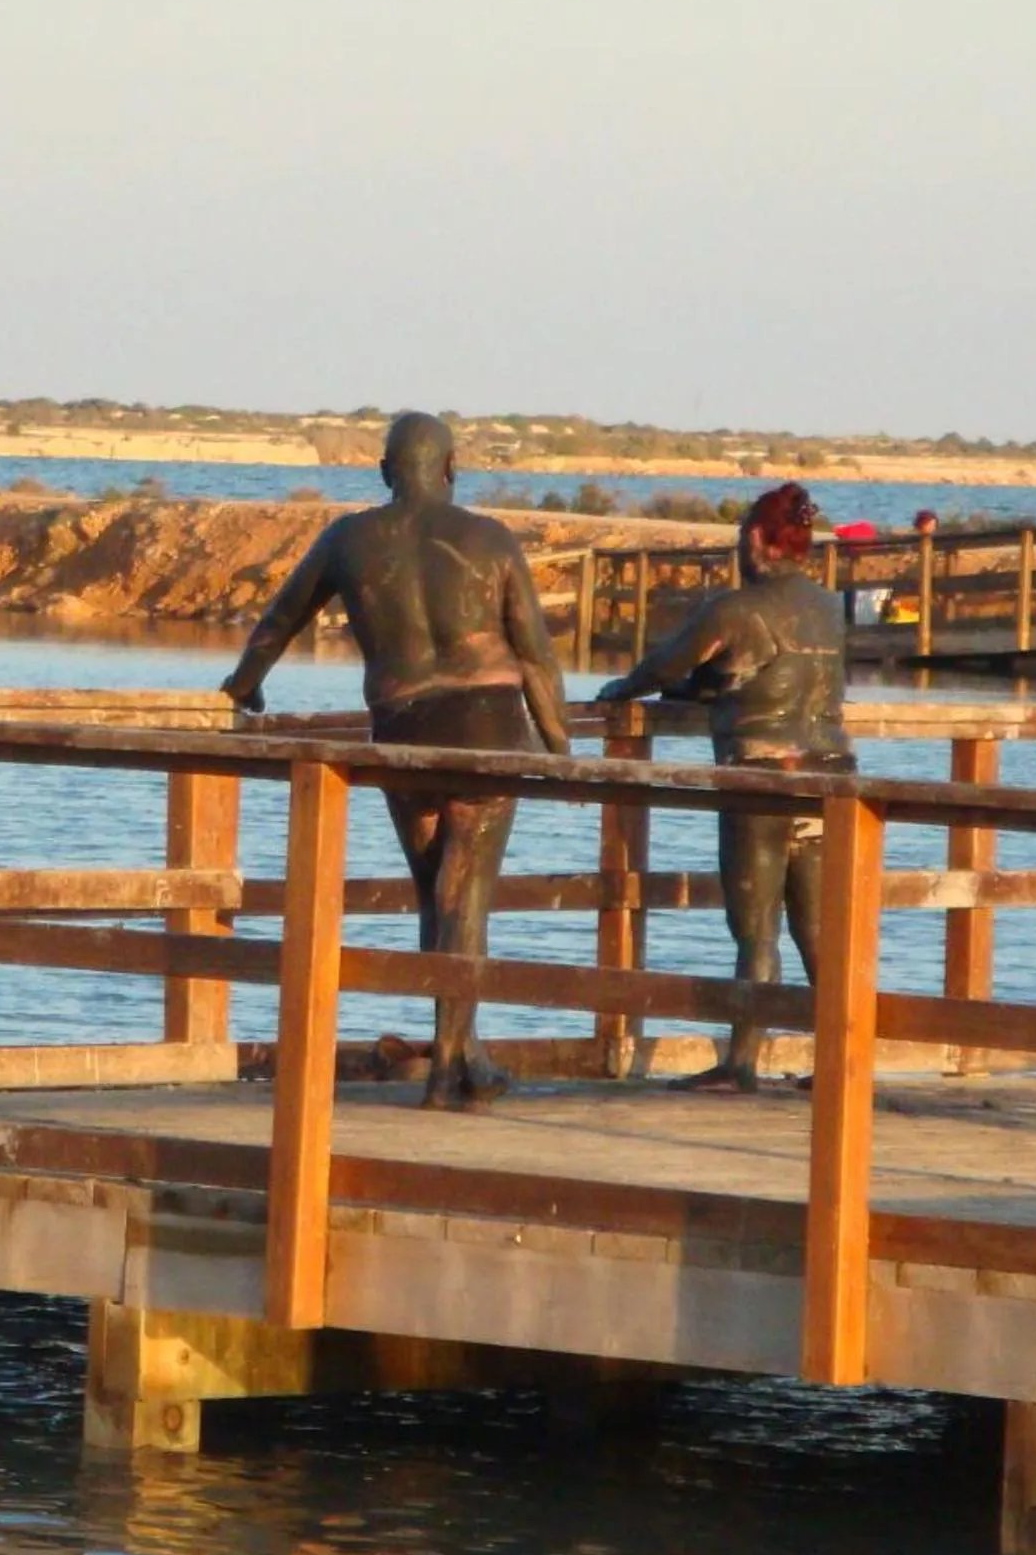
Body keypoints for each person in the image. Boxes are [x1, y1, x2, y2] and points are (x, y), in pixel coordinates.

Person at [220, 412, 569, 1111]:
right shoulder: (489, 538)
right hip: (487, 727)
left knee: (434, 890)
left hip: (404, 725)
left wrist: (243, 686)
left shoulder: (349, 539)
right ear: (451, 469)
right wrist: (560, 745)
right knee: (465, 895)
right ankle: (448, 1068)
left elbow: (278, 621)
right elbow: (533, 653)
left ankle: (465, 1055)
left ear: (385, 472)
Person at [595, 483, 853, 1093]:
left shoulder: (736, 609)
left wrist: (618, 692)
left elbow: (666, 666)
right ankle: (844, 1062)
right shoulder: (828, 609)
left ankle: (741, 1063)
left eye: (742, 536)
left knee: (756, 927)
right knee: (819, 928)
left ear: (759, 542)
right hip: (834, 774)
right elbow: (758, 674)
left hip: (762, 775)